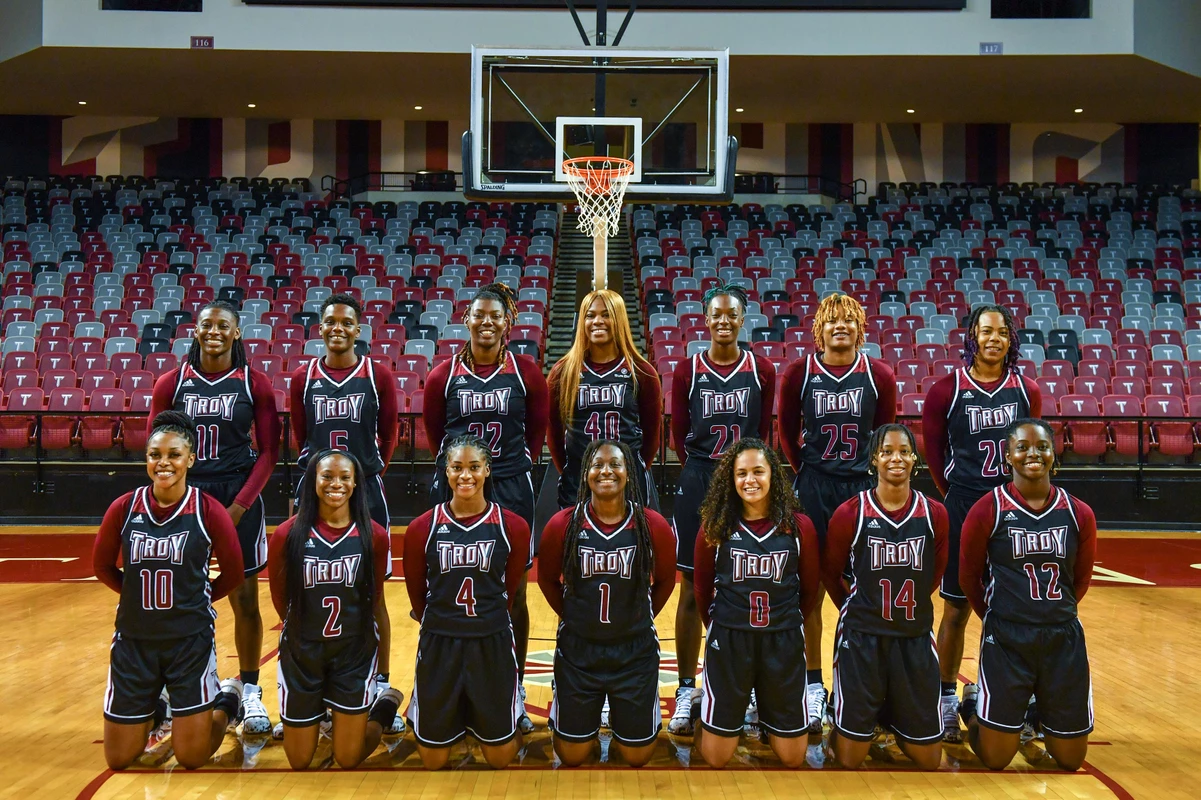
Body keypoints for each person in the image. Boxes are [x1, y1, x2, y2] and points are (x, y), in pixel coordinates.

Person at [148, 299, 281, 734]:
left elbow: (269, 453)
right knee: (181, 594)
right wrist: (171, 496)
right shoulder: (173, 382)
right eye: (207, 325)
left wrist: (239, 506)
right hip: (188, 494)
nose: (214, 331)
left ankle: (251, 689)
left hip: (237, 493)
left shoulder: (253, 383)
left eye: (223, 326)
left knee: (244, 598)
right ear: (196, 330)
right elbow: (156, 446)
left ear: (237, 332)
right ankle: (175, 687)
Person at [423, 281, 548, 735]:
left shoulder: (527, 371)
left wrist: (514, 469)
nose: (488, 322)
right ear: (467, 319)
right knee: (451, 580)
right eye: (479, 314)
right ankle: (443, 688)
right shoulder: (443, 374)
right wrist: (462, 474)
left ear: (508, 322)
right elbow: (438, 434)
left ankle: (511, 693)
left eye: (496, 315)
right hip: (458, 484)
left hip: (511, 484)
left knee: (513, 590)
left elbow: (537, 430)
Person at [92, 411, 245, 770]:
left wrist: (197, 599)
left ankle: (229, 701)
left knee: (192, 757)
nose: (164, 463)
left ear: (191, 458)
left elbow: (235, 572)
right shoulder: (125, 508)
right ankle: (159, 708)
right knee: (118, 759)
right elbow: (101, 567)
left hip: (188, 642)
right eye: (155, 455)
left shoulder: (208, 510)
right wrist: (133, 595)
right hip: (134, 642)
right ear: (146, 458)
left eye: (174, 454)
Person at [921, 304, 1042, 741]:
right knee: (956, 608)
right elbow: (935, 456)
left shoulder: (1026, 390)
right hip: (966, 505)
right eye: (985, 331)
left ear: (1011, 340)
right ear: (971, 337)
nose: (994, 338)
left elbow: (1033, 453)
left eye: (1002, 332)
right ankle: (945, 697)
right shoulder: (945, 390)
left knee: (1015, 609)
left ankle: (1013, 698)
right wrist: (958, 495)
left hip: (1013, 511)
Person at [778, 292, 896, 730]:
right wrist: (808, 472)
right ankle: (812, 686)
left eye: (848, 321)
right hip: (813, 486)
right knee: (808, 587)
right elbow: (788, 433)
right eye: (832, 321)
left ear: (860, 328)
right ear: (819, 329)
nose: (840, 327)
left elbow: (884, 433)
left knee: (861, 588)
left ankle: (857, 679)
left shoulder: (878, 374)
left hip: (860, 491)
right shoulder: (799, 373)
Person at [957, 418, 1096, 772]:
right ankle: (973, 707)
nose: (1033, 453)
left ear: (1054, 454)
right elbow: (969, 576)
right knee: (995, 759)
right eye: (1022, 447)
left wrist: (1051, 612)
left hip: (1061, 636)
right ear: (1008, 456)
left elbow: (1079, 581)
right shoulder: (988, 508)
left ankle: (1036, 711)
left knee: (1070, 760)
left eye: (1042, 446)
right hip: (1007, 636)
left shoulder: (1079, 512)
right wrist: (998, 614)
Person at [667, 283, 775, 736]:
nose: (725, 321)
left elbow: (765, 432)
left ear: (743, 318)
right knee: (693, 585)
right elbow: (678, 435)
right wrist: (705, 470)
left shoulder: (763, 369)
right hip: (700, 477)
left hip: (745, 482)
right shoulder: (688, 369)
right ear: (706, 320)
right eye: (717, 315)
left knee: (749, 579)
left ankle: (747, 686)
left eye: (733, 314)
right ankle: (688, 687)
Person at [290, 292, 399, 727]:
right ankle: (308, 686)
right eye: (330, 321)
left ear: (358, 329)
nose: (338, 328)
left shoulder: (378, 375)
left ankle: (381, 682)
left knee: (372, 594)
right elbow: (302, 435)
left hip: (364, 489)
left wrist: (365, 474)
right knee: (309, 588)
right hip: (316, 490)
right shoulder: (304, 376)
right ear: (321, 328)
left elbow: (388, 434)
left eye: (346, 322)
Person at [538, 440, 677, 766]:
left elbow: (667, 581)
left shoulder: (652, 525)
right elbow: (547, 580)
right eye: (597, 464)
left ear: (629, 473)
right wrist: (573, 615)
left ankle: (623, 716)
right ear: (585, 472)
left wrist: (638, 616)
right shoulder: (563, 524)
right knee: (571, 756)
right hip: (578, 651)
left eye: (615, 464)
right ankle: (593, 714)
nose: (606, 471)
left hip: (634, 650)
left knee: (637, 756)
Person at [823, 423, 949, 770]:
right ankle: (845, 716)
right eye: (887, 451)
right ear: (873, 460)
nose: (896, 458)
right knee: (849, 761)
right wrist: (857, 607)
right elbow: (831, 573)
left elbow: (933, 575)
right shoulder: (851, 513)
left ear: (914, 459)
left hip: (914, 636)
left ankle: (891, 714)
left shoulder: (935, 513)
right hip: (863, 637)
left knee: (928, 759)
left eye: (904, 451)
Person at [402, 435, 531, 769]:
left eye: (474, 467)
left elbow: (511, 588)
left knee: (501, 759)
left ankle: (501, 712)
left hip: (491, 642)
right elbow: (418, 595)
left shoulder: (513, 526)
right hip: (440, 643)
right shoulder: (422, 528)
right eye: (457, 467)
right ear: (446, 471)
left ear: (488, 470)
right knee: (432, 760)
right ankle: (418, 708)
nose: (466, 476)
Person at [267, 449, 402, 769]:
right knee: (299, 761)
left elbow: (375, 600)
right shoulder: (287, 534)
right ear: (312, 480)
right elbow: (279, 597)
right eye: (327, 476)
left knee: (348, 758)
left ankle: (384, 705)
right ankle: (323, 713)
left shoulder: (375, 536)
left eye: (344, 477)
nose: (335, 484)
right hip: (303, 652)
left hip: (352, 653)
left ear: (356, 484)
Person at [693, 438, 820, 768]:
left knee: (793, 759)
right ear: (730, 479)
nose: (750, 480)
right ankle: (701, 709)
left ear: (773, 474)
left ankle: (765, 708)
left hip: (783, 640)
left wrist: (786, 622)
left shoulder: (798, 527)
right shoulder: (715, 526)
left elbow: (808, 592)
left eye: (759, 471)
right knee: (717, 758)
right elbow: (702, 590)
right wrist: (723, 627)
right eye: (741, 473)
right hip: (731, 640)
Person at [548, 289, 662, 511]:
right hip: (578, 479)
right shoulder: (563, 371)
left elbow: (652, 438)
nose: (597, 321)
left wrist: (630, 466)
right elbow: (553, 433)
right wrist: (572, 469)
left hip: (628, 480)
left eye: (606, 314)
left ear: (618, 319)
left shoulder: (641, 371)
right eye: (590, 315)